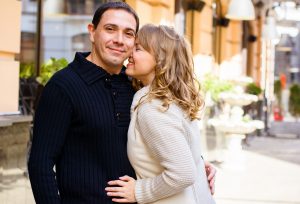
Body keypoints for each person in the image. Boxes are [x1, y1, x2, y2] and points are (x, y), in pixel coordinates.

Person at [28, 2, 215, 204]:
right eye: (110, 29)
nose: (119, 40)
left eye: (128, 34)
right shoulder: (63, 86)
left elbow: (165, 139)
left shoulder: (137, 88)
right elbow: (41, 164)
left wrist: (197, 162)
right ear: (92, 32)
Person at [105, 24, 216, 204]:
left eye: (138, 48)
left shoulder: (153, 108)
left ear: (160, 59)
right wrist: (199, 163)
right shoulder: (170, 100)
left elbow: (183, 173)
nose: (129, 53)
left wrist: (139, 191)